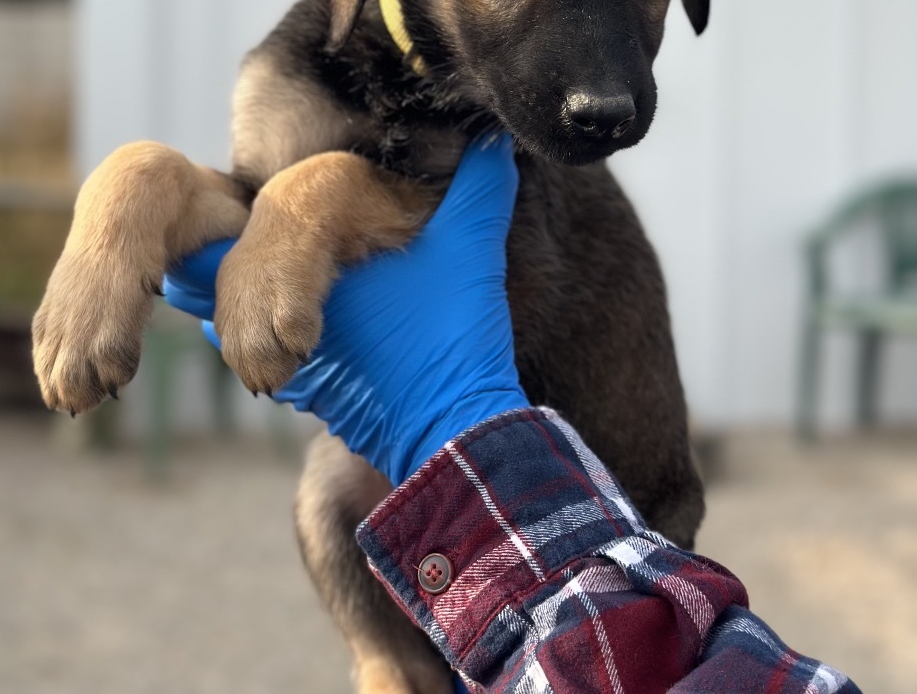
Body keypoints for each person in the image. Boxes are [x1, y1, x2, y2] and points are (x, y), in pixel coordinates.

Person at [163, 136, 860, 694]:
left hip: (603, 496)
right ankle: (388, 666)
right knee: (328, 494)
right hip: (553, 579)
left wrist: (453, 422)